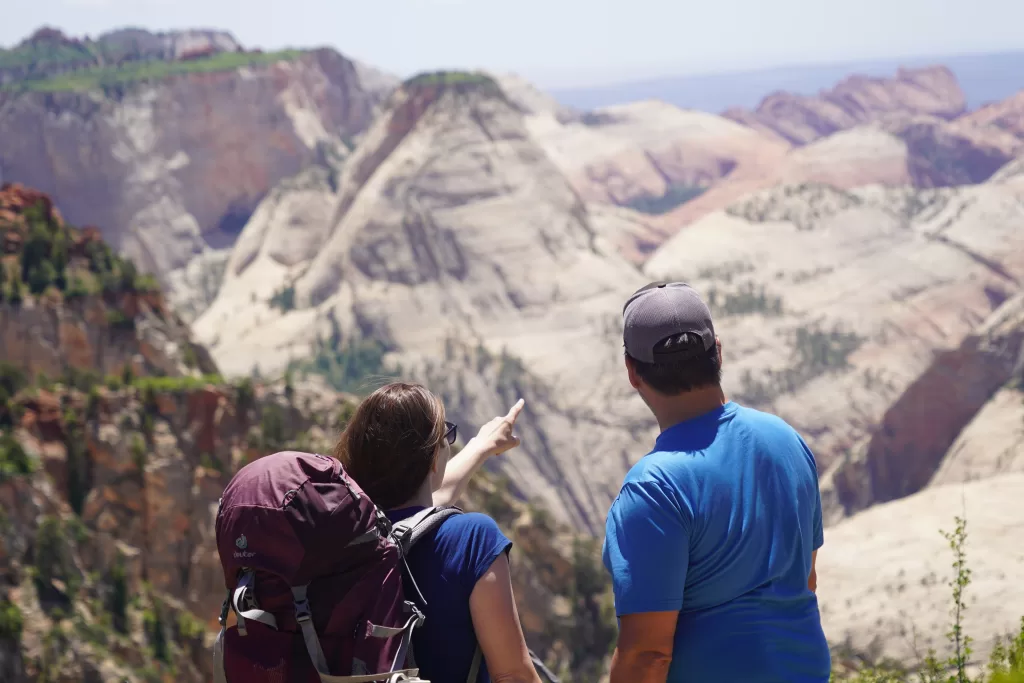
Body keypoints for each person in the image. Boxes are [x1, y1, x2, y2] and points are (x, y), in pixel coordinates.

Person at [602, 282, 831, 683]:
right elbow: (805, 578)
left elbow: (646, 654)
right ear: (718, 352)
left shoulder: (653, 490)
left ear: (632, 372)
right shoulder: (785, 439)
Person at [334, 381, 543, 683]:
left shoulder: (340, 534)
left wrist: (481, 445)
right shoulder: (472, 539)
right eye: (446, 436)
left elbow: (427, 500)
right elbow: (513, 675)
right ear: (433, 458)